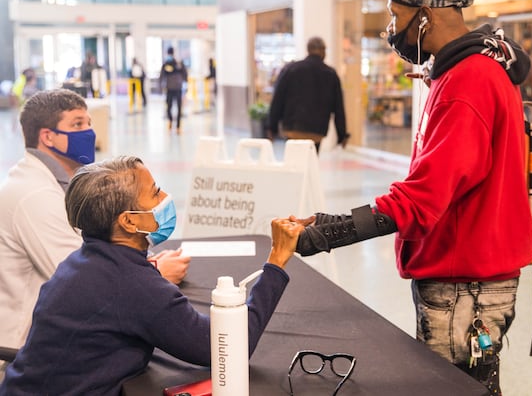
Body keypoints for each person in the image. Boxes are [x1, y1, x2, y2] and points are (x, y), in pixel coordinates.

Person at [293, 0, 532, 395]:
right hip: (471, 277)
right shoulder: (475, 67)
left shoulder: (468, 82)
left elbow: (423, 198)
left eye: (395, 16)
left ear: (424, 16)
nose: (391, 28)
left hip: (466, 285)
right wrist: (433, 74)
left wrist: (332, 231)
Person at [0, 156, 304, 396]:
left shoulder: (83, 261)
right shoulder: (132, 285)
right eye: (155, 193)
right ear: (130, 221)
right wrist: (277, 259)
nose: (166, 197)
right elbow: (229, 347)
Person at [0, 89, 189, 351]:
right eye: (77, 124)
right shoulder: (34, 195)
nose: (89, 131)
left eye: (89, 122)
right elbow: (83, 281)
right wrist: (156, 273)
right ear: (47, 137)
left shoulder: (60, 182)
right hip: (27, 348)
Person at [267, 37, 350, 153]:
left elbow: (277, 99)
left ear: (308, 50)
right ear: (323, 51)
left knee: (293, 163)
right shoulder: (330, 74)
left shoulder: (290, 69)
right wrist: (342, 135)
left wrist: (272, 127)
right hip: (316, 131)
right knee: (311, 163)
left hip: (292, 128)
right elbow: (338, 108)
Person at [159, 46, 188, 134]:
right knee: (170, 107)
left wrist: (185, 87)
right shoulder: (166, 64)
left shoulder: (178, 63)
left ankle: (177, 126)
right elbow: (161, 76)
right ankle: (172, 122)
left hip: (176, 89)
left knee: (176, 108)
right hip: (171, 89)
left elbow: (185, 75)